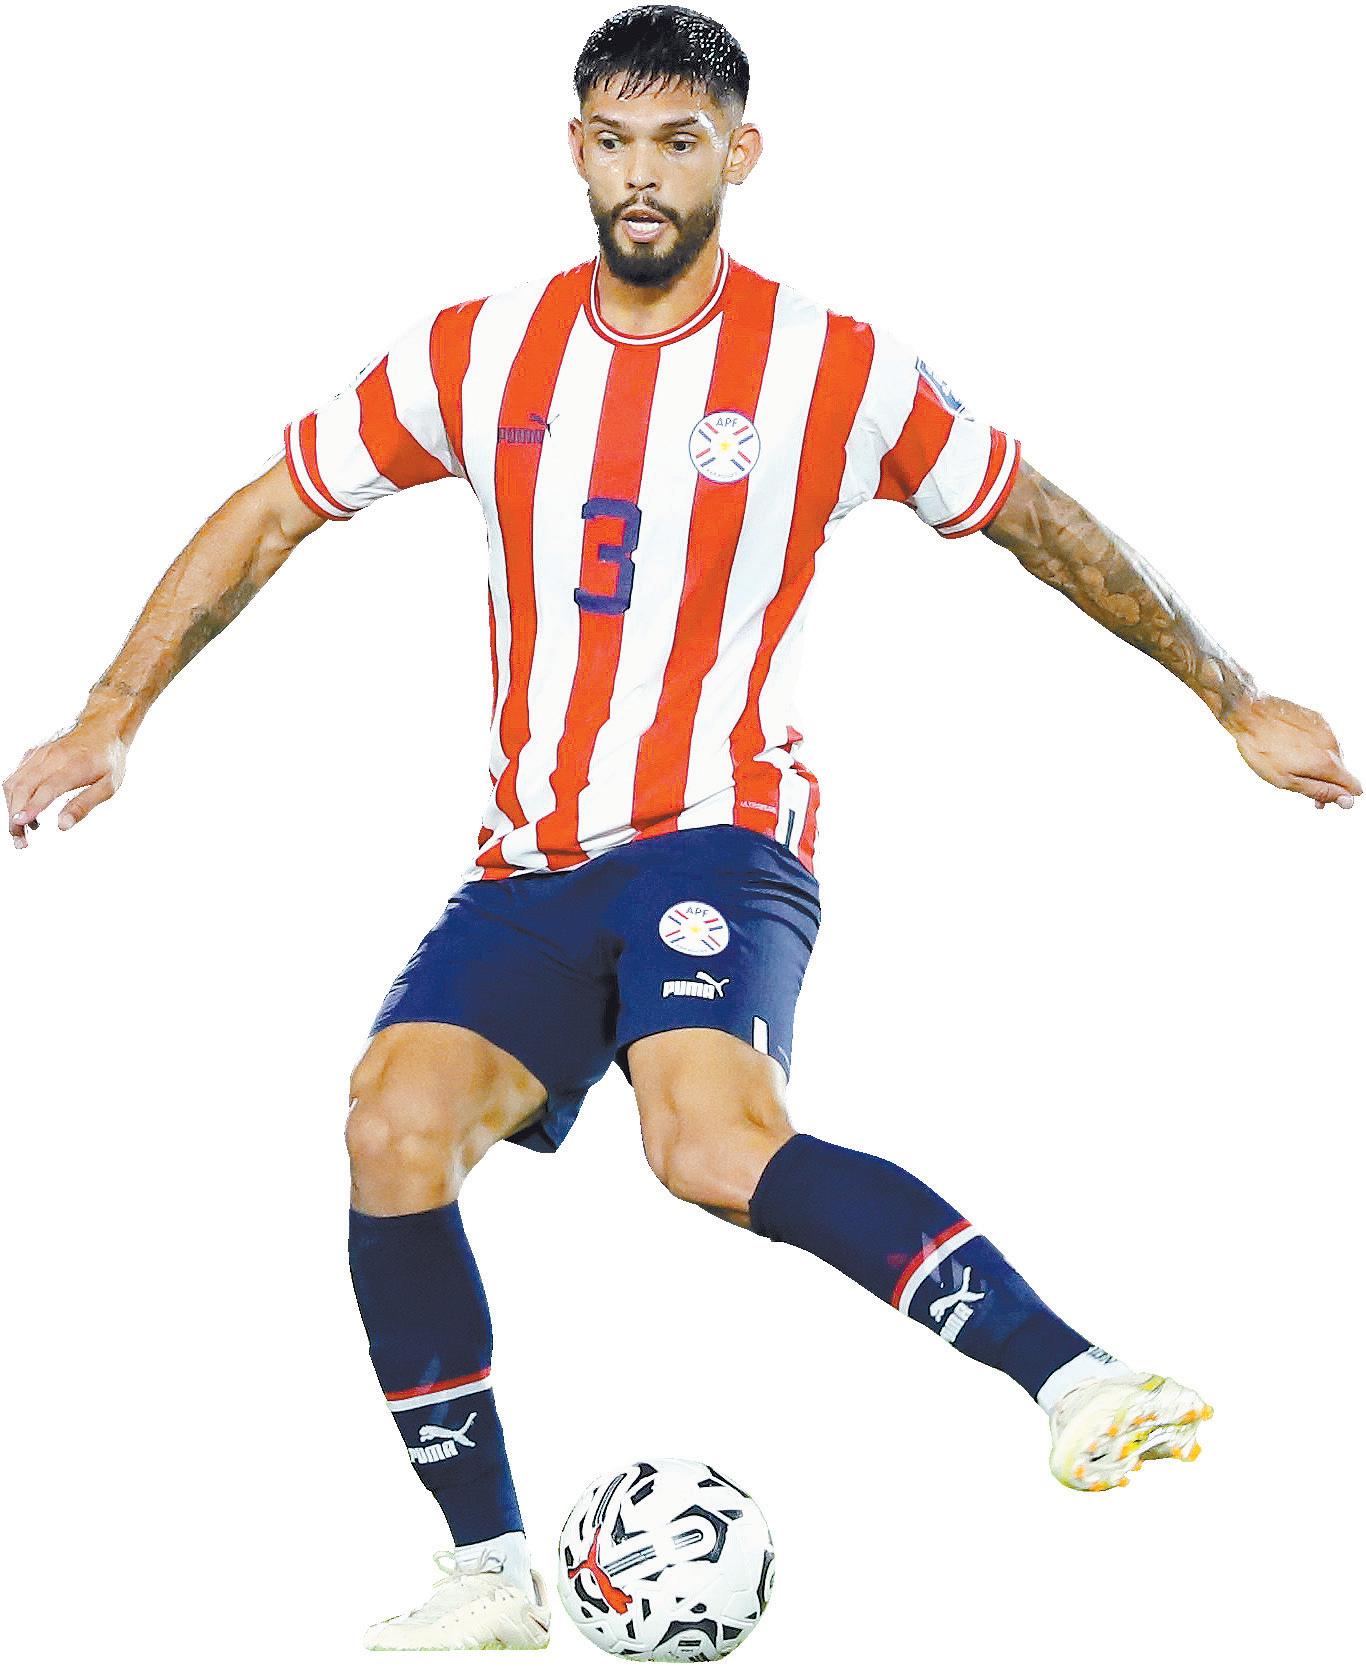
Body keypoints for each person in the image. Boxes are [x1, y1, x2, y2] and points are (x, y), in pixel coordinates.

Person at [5, 4, 1359, 1652]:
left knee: (705, 1145)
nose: (641, 174)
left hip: (719, 833)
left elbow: (1038, 519)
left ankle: (1076, 1377)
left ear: (739, 153)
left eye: (678, 141)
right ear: (574, 151)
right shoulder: (476, 351)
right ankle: (489, 1576)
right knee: (388, 1127)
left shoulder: (833, 365)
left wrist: (1230, 693)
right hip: (526, 863)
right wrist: (112, 710)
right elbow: (271, 506)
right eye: (613, 141)